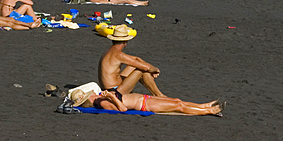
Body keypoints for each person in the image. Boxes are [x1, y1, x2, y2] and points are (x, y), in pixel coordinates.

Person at [98, 24, 165, 97]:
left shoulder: (109, 52)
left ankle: (157, 94)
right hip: (114, 92)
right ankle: (159, 95)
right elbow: (146, 68)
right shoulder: (118, 55)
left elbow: (137, 59)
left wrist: (150, 70)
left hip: (109, 88)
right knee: (141, 69)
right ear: (125, 42)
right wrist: (156, 70)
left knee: (136, 65)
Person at [72, 85, 222, 117]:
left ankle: (204, 105)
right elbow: (122, 109)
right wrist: (111, 97)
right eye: (88, 95)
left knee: (177, 100)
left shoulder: (99, 97)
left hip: (144, 98)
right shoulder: (101, 103)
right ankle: (210, 111)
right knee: (179, 106)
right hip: (144, 104)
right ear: (88, 99)